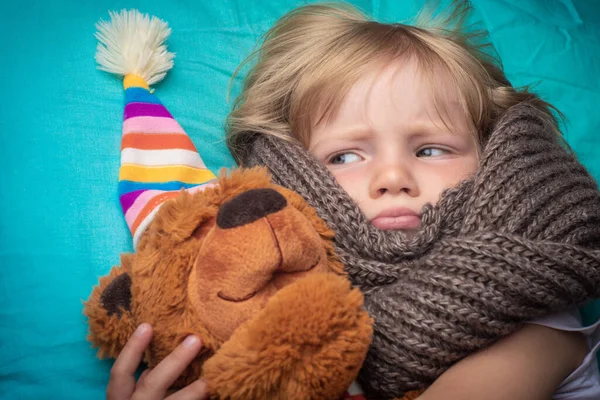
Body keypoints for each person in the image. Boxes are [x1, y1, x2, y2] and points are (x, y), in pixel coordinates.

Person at [107, 1, 600, 399]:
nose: (392, 176)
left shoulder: (527, 303)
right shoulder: (275, 311)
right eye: (344, 156)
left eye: (430, 149)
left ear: (495, 160)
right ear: (294, 175)